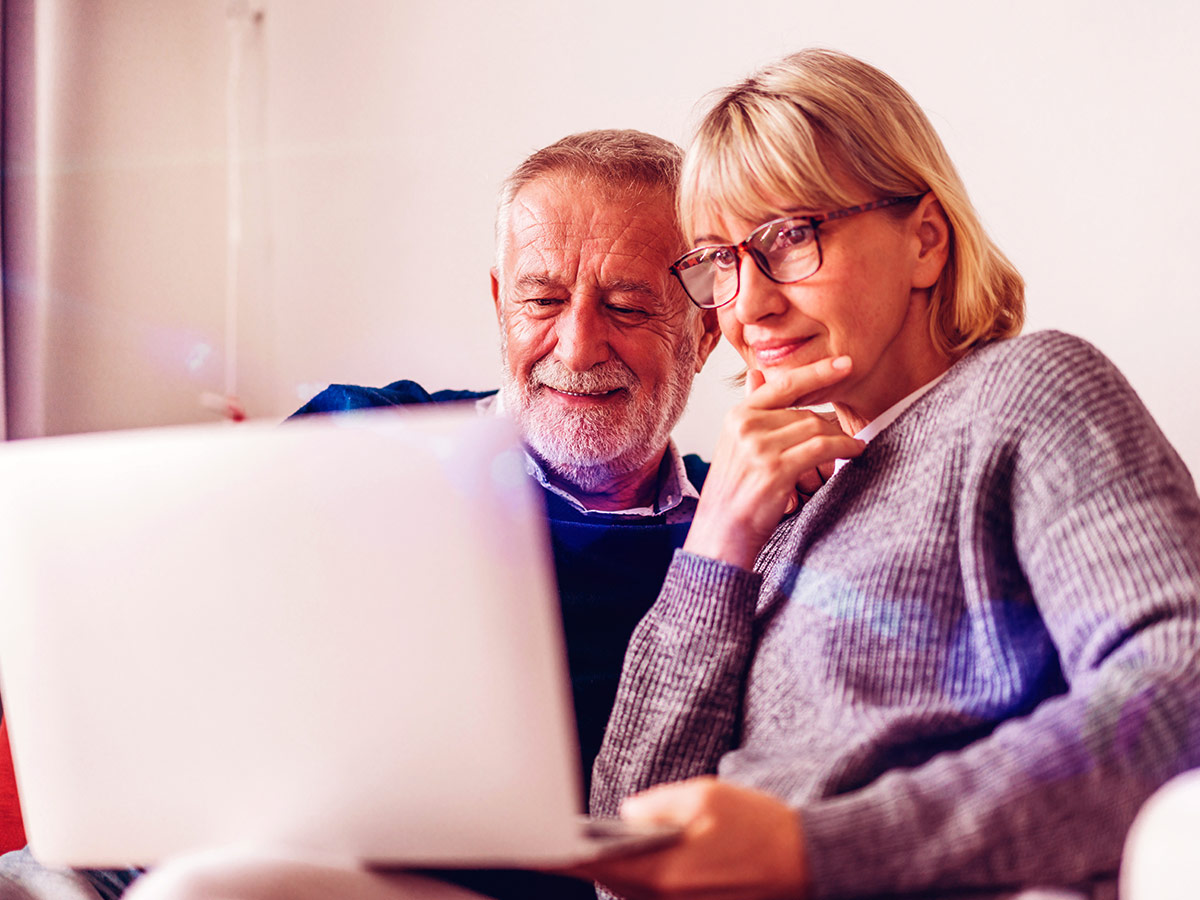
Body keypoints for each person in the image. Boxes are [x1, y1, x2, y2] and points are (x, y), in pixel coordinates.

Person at [0, 129, 721, 900]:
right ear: (498, 302)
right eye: (541, 300)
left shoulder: (740, 533)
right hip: (157, 848)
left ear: (703, 332)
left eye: (628, 306)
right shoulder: (365, 428)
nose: (576, 345)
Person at [575, 49, 1200, 900]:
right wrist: (715, 545)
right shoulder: (773, 495)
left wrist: (814, 852)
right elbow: (625, 843)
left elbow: (1178, 693)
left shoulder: (1028, 393)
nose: (749, 304)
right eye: (719, 261)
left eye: (790, 237)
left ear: (926, 242)